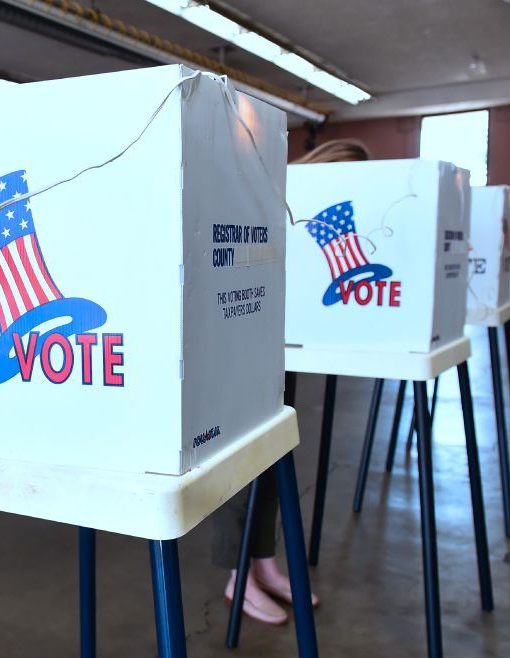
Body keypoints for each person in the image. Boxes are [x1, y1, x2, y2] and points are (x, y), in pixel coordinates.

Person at [210, 138, 372, 625]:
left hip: (287, 346)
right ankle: (237, 576)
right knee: (240, 463)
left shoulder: (306, 204)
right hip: (241, 344)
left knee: (277, 456)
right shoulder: (270, 196)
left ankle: (262, 562)